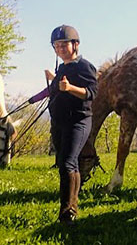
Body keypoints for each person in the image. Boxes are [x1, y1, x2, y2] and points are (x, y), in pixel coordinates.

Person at [28, 25, 97, 224]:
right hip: (59, 121)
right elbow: (53, 89)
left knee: (67, 162)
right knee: (66, 163)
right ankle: (71, 206)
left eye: (63, 45)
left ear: (75, 45)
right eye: (56, 45)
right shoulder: (63, 68)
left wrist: (70, 88)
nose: (60, 48)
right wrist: (32, 100)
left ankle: (67, 212)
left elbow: (92, 93)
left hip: (78, 121)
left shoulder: (85, 66)